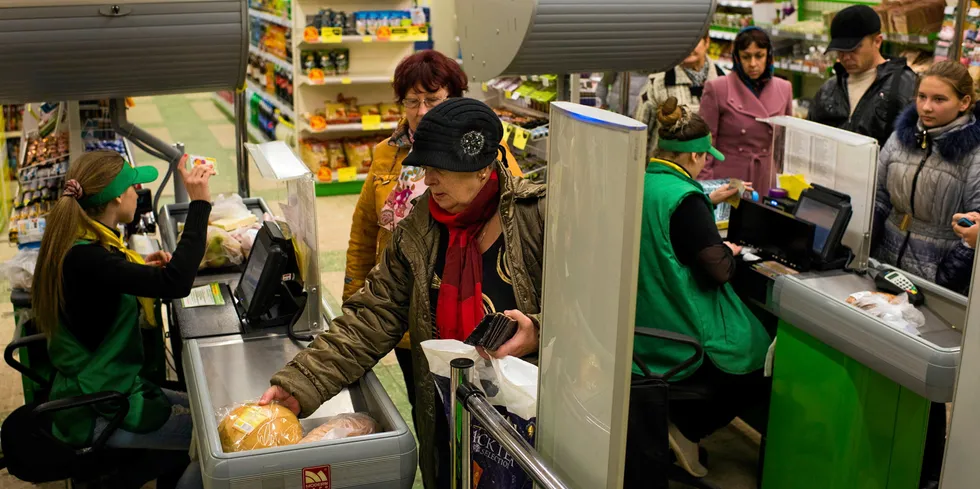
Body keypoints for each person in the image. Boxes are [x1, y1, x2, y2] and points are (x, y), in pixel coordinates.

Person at [260, 98, 546, 489]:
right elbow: (373, 315)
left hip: (530, 424)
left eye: (440, 170)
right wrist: (301, 383)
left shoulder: (539, 219)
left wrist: (538, 332)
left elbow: (596, 322)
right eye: (426, 168)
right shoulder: (420, 230)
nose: (428, 180)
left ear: (482, 169)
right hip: (450, 417)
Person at [343, 49, 524, 419]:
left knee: (488, 408)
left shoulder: (488, 154)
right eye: (412, 101)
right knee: (428, 406)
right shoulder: (385, 155)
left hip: (472, 304)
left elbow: (514, 223)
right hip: (404, 306)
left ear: (454, 100)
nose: (422, 111)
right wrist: (354, 299)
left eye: (433, 100)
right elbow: (363, 233)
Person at [32, 151, 215, 489]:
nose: (138, 191)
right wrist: (200, 206)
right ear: (117, 196)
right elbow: (176, 283)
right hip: (99, 405)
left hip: (102, 387)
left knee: (208, 409)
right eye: (133, 184)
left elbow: (99, 286)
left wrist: (137, 271)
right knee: (214, 437)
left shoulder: (79, 242)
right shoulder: (89, 259)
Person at [628, 97, 772, 480]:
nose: (705, 164)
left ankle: (672, 420)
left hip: (639, 329)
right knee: (761, 359)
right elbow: (719, 272)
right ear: (692, 159)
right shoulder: (685, 201)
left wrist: (707, 201)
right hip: (677, 337)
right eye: (704, 158)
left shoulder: (638, 181)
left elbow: (663, 223)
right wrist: (729, 249)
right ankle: (685, 427)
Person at [873, 61, 980, 489]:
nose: (926, 107)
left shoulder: (974, 152)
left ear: (965, 102)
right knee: (885, 362)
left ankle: (927, 474)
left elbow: (976, 220)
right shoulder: (901, 137)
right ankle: (883, 455)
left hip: (940, 274)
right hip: (890, 261)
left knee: (928, 381)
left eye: (939, 99)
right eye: (921, 97)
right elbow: (878, 190)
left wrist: (953, 269)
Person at [699, 27, 793, 195]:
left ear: (769, 55)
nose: (753, 64)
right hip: (729, 178)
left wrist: (785, 181)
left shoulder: (784, 88)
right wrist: (707, 186)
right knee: (730, 221)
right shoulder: (717, 88)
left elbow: (784, 144)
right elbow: (705, 143)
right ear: (737, 57)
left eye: (759, 56)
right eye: (746, 57)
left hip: (767, 178)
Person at [808, 5, 916, 147]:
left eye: (853, 48)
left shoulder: (905, 85)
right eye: (840, 50)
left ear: (877, 41)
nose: (846, 57)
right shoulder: (828, 89)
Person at [635, 33, 728, 157]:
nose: (688, 47)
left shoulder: (724, 82)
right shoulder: (657, 82)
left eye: (694, 41)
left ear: (707, 42)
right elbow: (639, 132)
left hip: (707, 172)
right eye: (683, 41)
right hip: (664, 170)